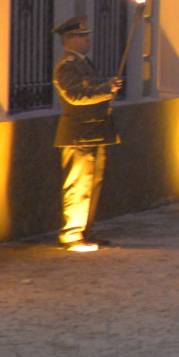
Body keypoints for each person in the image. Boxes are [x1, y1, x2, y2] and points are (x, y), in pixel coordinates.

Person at [52, 15, 117, 249]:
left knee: (92, 184)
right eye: (82, 36)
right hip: (78, 133)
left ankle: (86, 229)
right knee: (78, 185)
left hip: (95, 130)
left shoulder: (84, 63)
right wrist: (106, 89)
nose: (88, 39)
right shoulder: (67, 66)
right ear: (69, 40)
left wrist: (107, 88)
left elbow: (93, 91)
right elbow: (75, 96)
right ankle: (72, 234)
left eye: (87, 35)